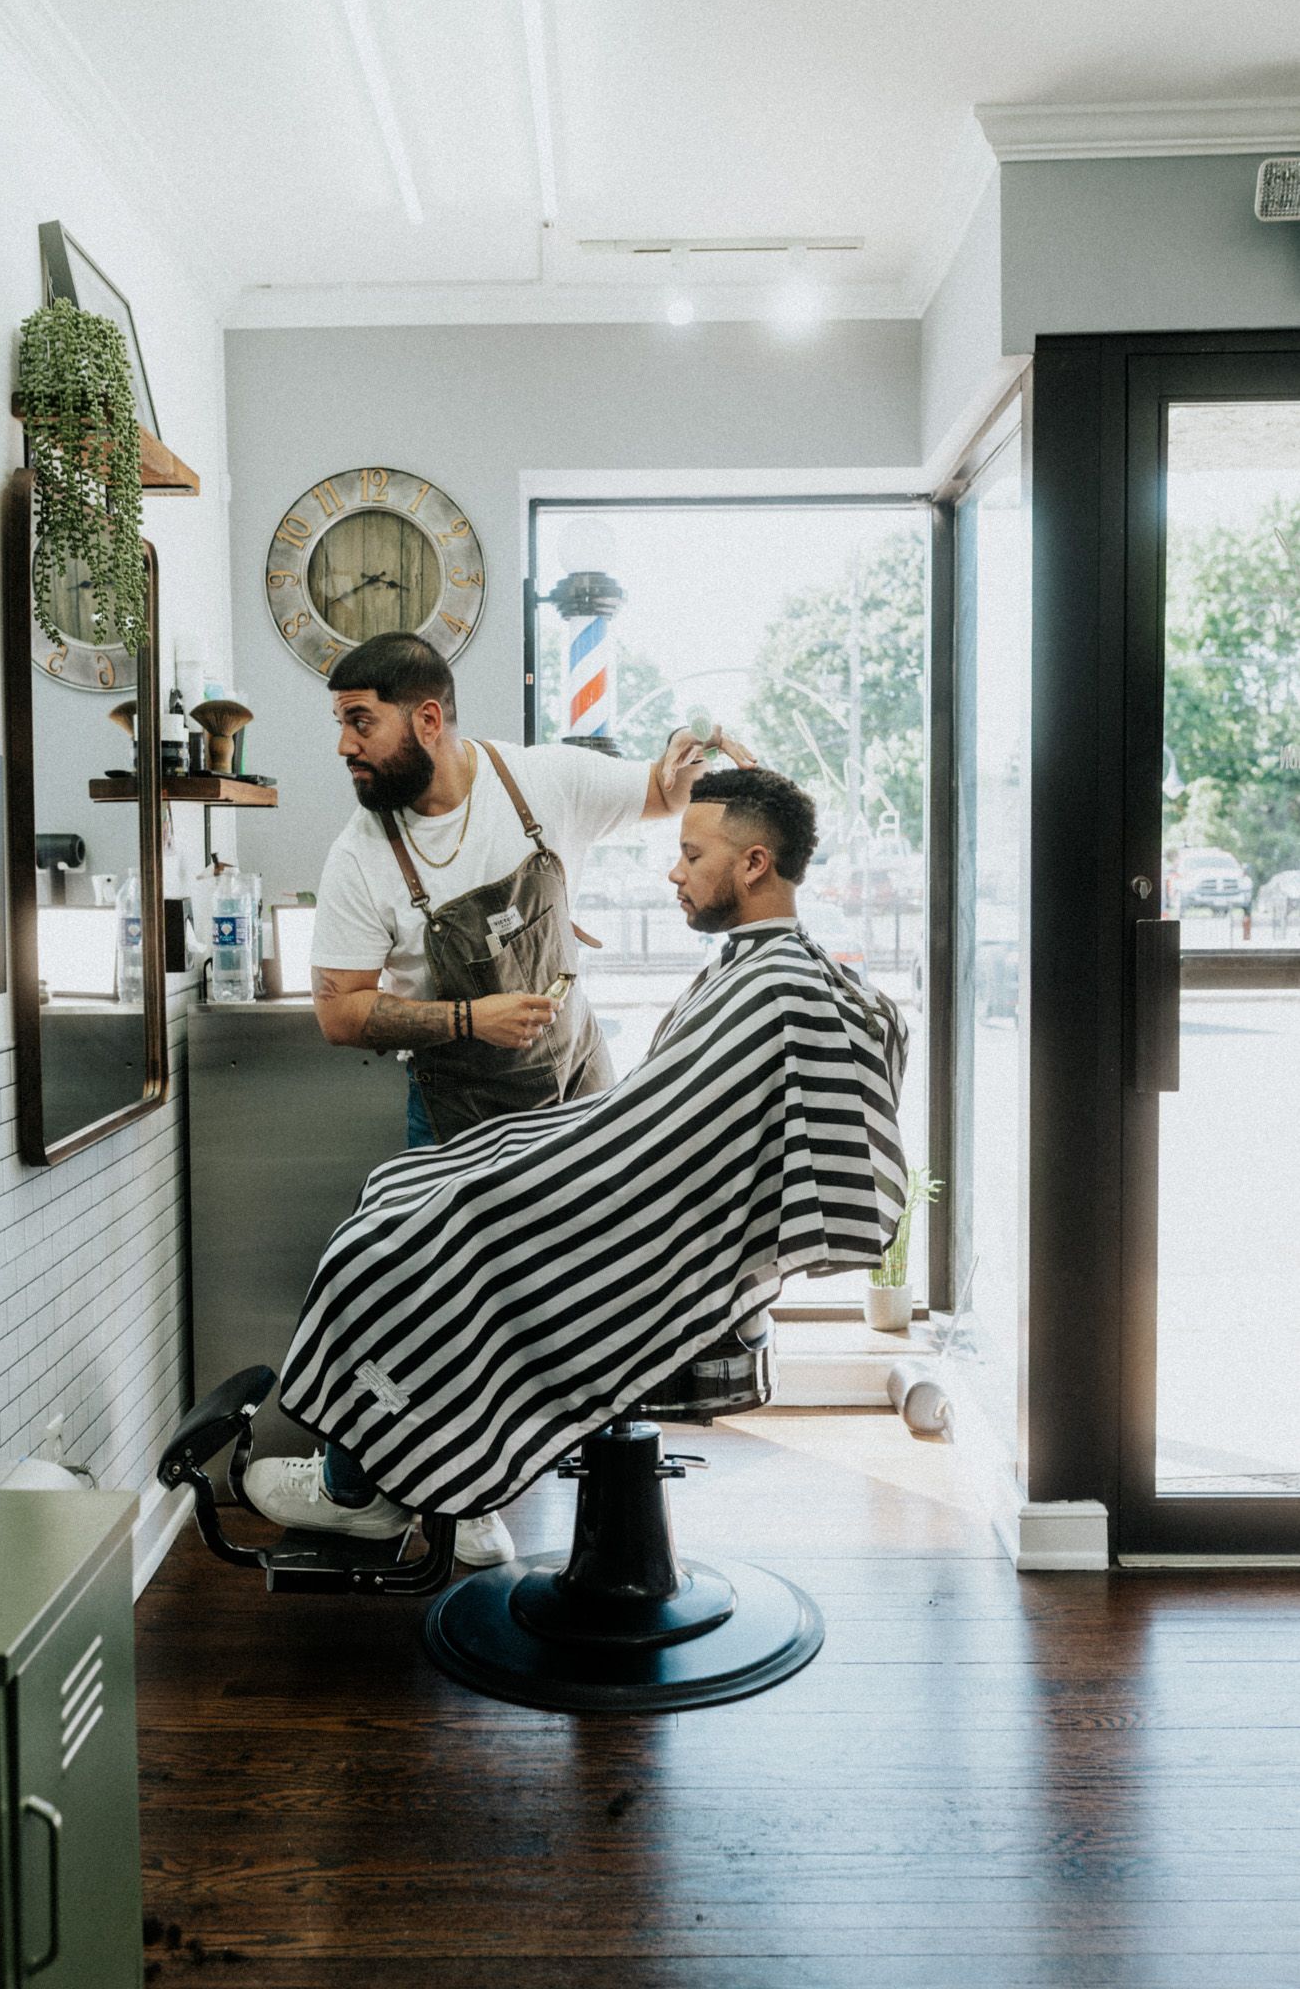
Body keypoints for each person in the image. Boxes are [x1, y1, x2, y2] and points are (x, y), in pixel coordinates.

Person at [276, 767, 909, 1523]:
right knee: (403, 1192)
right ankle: (437, 1488)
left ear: (753, 864)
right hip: (645, 1212)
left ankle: (371, 1492)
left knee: (386, 1249)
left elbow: (654, 1153)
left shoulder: (774, 989)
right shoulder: (781, 971)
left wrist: (507, 1177)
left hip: (649, 1248)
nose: (673, 871)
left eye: (691, 854)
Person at [244, 632, 754, 1561]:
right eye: (341, 723)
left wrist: (687, 766)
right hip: (456, 1114)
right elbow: (341, 1014)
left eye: (360, 721)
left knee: (578, 1301)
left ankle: (527, 1476)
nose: (344, 746)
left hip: (576, 1092)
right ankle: (435, 1488)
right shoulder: (363, 855)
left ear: (427, 719)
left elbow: (656, 793)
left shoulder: (539, 783)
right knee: (429, 1299)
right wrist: (466, 1020)